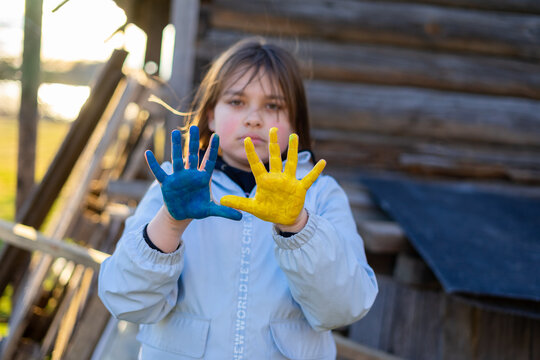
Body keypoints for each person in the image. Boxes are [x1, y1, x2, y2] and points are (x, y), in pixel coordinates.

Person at [98, 37, 378, 360]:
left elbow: (344, 308)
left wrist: (299, 226)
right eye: (236, 102)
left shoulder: (320, 195)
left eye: (273, 106)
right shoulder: (174, 188)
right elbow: (125, 301)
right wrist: (170, 223)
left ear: (294, 124)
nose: (254, 118)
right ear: (211, 116)